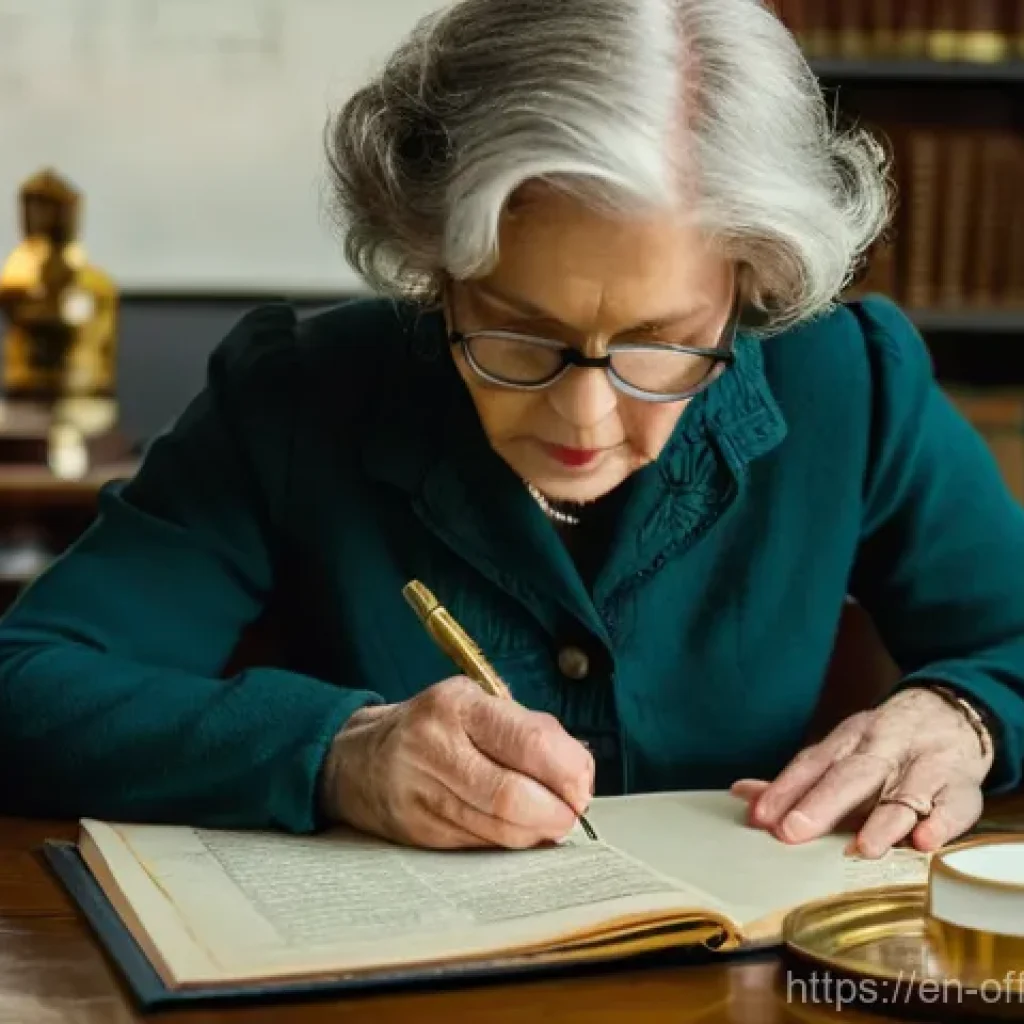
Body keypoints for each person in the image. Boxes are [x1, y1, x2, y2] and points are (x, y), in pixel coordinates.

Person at [0, 0, 1021, 861]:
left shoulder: (850, 384)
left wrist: (964, 716)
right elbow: (25, 684)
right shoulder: (298, 395)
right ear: (438, 264)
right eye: (518, 333)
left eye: (662, 343)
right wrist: (338, 753)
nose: (585, 416)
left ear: (748, 280)